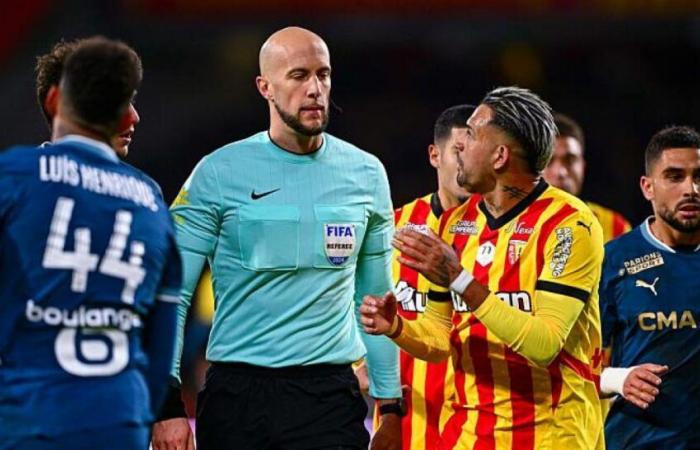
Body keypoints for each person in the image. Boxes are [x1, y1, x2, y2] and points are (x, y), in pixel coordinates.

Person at [152, 26, 401, 450]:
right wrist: (167, 403)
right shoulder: (217, 173)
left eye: (323, 75)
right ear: (264, 87)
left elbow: (376, 299)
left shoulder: (366, 173)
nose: (315, 89)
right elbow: (171, 293)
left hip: (330, 397)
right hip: (238, 397)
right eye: (299, 75)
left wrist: (390, 406)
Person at [361, 86, 605, 449]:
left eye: (472, 135)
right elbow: (440, 339)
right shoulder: (456, 224)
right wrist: (396, 327)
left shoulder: (569, 225)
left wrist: (460, 279)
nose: (461, 147)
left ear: (500, 156)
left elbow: (545, 344)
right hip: (471, 434)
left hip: (553, 435)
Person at [0, 37, 180, 450]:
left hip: (31, 420)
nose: (133, 116)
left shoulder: (13, 179)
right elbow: (160, 343)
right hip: (119, 420)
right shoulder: (149, 199)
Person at [599, 126, 700, 449]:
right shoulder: (613, 261)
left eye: (698, 176)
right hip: (637, 442)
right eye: (674, 176)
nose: (691, 189)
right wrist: (619, 379)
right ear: (648, 187)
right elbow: (571, 368)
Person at [391, 104, 473, 450]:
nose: (467, 163)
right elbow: (355, 309)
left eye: (475, 152)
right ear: (434, 155)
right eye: (459, 151)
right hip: (409, 423)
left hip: (479, 425)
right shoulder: (393, 228)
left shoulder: (500, 235)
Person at [35, 39, 140, 157]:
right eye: (112, 101)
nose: (134, 117)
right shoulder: (18, 170)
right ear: (57, 103)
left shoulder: (15, 169)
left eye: (129, 101)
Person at [543, 112, 631, 242]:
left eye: (570, 160)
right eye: (549, 161)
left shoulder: (615, 227)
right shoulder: (510, 226)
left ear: (583, 167)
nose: (561, 172)